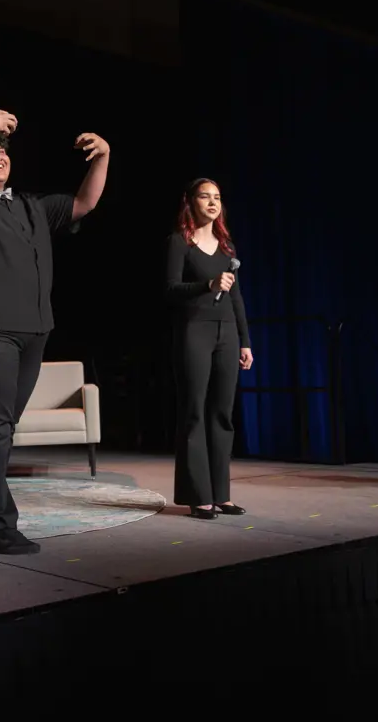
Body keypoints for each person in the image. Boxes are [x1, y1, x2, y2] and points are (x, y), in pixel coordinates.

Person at [0, 110, 109, 554]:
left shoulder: (33, 205)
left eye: (2, 150)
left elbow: (84, 203)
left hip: (32, 331)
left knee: (1, 427)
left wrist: (103, 157)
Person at [165, 179, 253, 519]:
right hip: (194, 331)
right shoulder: (179, 242)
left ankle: (221, 495)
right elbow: (170, 289)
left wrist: (245, 342)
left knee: (222, 414)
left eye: (217, 197)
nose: (213, 202)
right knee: (194, 412)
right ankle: (198, 496)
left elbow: (237, 299)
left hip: (227, 333)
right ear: (190, 201)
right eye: (205, 196)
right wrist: (207, 284)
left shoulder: (226, 247)